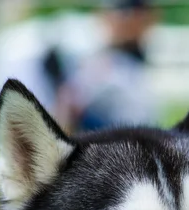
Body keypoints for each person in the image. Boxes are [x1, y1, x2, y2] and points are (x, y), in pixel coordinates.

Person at [63, 0, 160, 131]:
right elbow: (69, 106)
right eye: (123, 13)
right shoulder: (99, 61)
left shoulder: (131, 65)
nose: (129, 20)